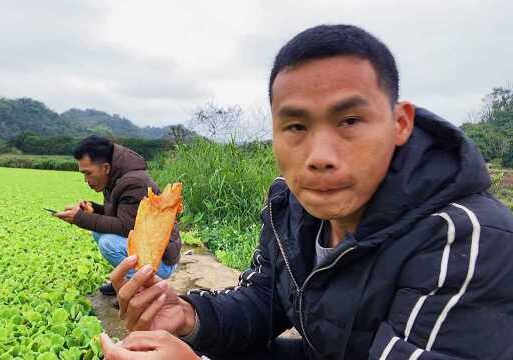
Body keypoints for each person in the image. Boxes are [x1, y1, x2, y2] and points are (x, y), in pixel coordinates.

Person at [100, 24, 513, 359]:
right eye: (296, 126)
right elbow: (265, 299)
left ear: (400, 122)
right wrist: (189, 317)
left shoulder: (466, 238)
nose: (319, 157)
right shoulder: (289, 205)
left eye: (350, 120)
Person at [55, 136, 181, 295]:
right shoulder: (114, 178)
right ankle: (128, 280)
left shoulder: (134, 182)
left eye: (88, 173)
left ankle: (144, 287)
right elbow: (123, 215)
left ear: (106, 167)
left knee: (108, 243)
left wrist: (79, 218)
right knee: (99, 232)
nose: (86, 180)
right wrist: (94, 210)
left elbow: (126, 227)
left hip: (161, 260)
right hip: (149, 249)